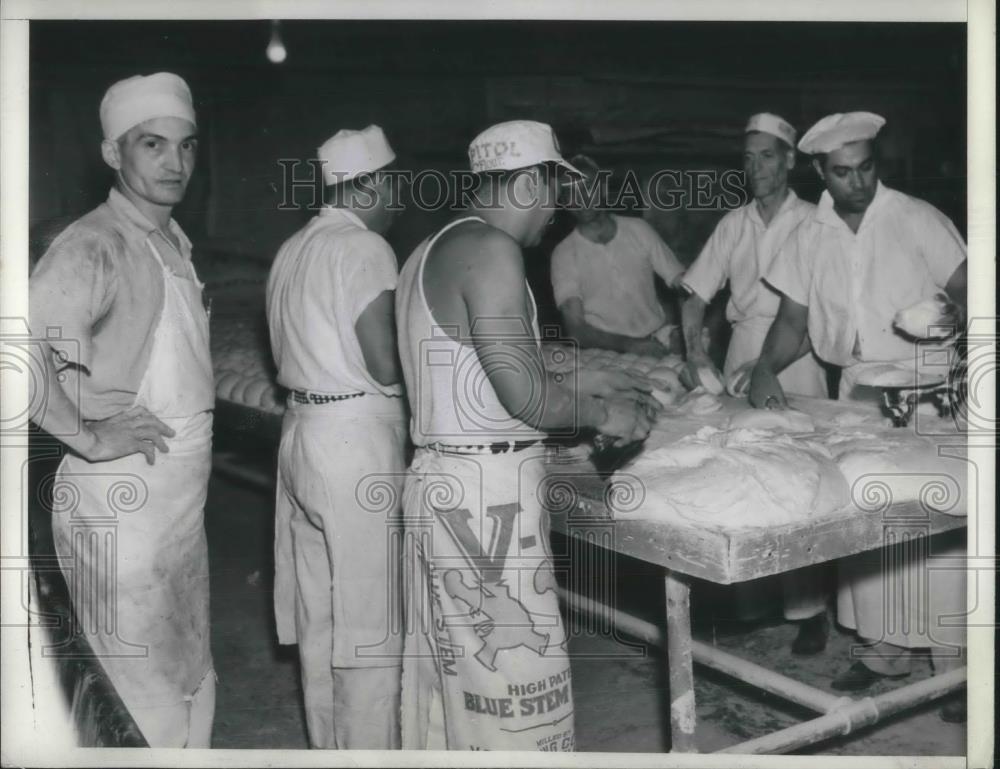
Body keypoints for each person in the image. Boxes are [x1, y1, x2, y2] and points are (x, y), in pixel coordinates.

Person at [396, 120, 658, 750]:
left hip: (452, 485)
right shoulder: (492, 250)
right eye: (554, 187)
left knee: (457, 686)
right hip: (486, 502)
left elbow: (489, 363)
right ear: (532, 179)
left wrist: (587, 371)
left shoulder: (432, 247)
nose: (556, 211)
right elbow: (524, 395)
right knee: (517, 687)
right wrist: (604, 416)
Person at [749, 111, 968, 722]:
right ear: (819, 170)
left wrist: (955, 317)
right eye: (843, 173)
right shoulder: (808, 235)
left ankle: (954, 665)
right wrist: (766, 368)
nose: (858, 183)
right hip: (856, 395)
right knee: (869, 526)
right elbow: (793, 322)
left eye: (867, 168)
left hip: (928, 393)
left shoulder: (916, 219)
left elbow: (973, 287)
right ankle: (882, 654)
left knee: (935, 530)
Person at [29, 72, 215, 747]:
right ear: (114, 154)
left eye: (187, 146)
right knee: (141, 704)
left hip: (174, 502)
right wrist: (91, 436)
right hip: (120, 500)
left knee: (188, 678)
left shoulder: (170, 240)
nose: (175, 164)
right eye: (153, 145)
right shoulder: (93, 244)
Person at [266, 125, 407, 749]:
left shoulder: (293, 247)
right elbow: (384, 363)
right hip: (352, 443)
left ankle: (328, 751)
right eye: (394, 180)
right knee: (370, 618)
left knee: (320, 618)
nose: (399, 192)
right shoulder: (365, 249)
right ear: (373, 183)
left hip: (300, 434)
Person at [680, 113, 830, 655]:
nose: (755, 167)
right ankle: (755, 603)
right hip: (743, 349)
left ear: (790, 160)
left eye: (767, 155)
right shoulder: (733, 225)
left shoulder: (816, 221)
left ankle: (810, 610)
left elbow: (828, 310)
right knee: (748, 478)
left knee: (799, 483)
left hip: (798, 354)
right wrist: (696, 353)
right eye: (747, 158)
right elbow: (694, 295)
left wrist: (777, 359)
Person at [551, 154, 685, 357]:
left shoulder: (638, 229)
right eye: (570, 192)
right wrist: (631, 345)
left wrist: (683, 334)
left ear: (603, 189)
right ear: (564, 202)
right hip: (604, 355)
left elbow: (682, 282)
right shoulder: (564, 254)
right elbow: (576, 329)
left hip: (657, 343)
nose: (581, 199)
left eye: (587, 188)